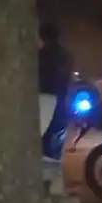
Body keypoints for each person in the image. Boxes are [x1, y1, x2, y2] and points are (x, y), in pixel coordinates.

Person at [38, 22, 75, 157]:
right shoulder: (65, 55)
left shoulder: (43, 55)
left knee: (46, 138)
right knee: (56, 138)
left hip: (45, 99)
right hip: (61, 100)